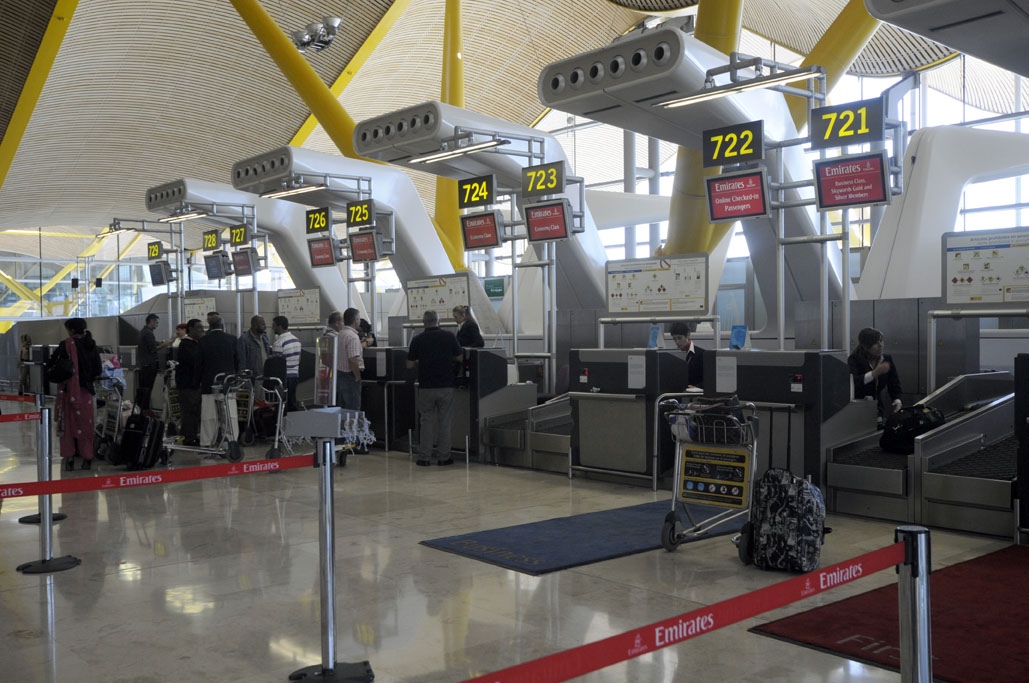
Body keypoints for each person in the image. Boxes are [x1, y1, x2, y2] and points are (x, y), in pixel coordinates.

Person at [407, 310, 463, 467]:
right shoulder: (449, 337)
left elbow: (409, 364)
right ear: (438, 322)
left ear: (424, 323)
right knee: (444, 421)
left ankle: (424, 457)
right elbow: (459, 357)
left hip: (425, 386)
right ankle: (444, 457)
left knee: (426, 421)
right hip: (446, 385)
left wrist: (423, 361)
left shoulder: (418, 340)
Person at [55, 318, 102, 470]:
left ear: (72, 330)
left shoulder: (66, 344)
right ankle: (87, 458)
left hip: (69, 392)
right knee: (86, 425)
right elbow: (98, 369)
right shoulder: (91, 344)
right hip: (87, 393)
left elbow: (57, 367)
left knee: (68, 427)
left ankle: (69, 459)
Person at [198, 315, 239, 447]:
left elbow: (199, 364)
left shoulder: (203, 341)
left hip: (209, 383)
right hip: (228, 383)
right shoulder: (232, 340)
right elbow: (237, 361)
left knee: (209, 415)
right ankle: (231, 440)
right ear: (222, 325)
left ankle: (207, 442)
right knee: (229, 414)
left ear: (209, 326)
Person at [848, 327, 902, 424]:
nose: (880, 345)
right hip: (858, 411)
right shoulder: (854, 359)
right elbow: (853, 382)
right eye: (876, 343)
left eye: (881, 341)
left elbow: (894, 384)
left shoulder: (886, 359)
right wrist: (874, 373)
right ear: (865, 346)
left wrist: (897, 399)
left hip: (878, 411)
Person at [326, 309, 364, 411]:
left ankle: (343, 427)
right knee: (352, 408)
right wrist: (358, 376)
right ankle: (351, 426)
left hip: (339, 374)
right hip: (350, 376)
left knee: (342, 408)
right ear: (356, 320)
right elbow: (352, 359)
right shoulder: (352, 337)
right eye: (359, 318)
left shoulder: (340, 334)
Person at [176, 319, 204, 446]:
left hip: (195, 384)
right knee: (189, 412)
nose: (201, 330)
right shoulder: (186, 344)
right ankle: (188, 438)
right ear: (190, 329)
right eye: (199, 327)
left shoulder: (196, 344)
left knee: (195, 411)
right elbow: (194, 361)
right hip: (187, 385)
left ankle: (192, 435)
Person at [136, 313, 171, 410]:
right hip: (149, 366)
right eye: (156, 322)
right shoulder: (148, 333)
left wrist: (160, 342)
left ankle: (142, 410)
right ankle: (145, 411)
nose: (157, 324)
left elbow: (150, 343)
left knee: (144, 389)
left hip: (144, 365)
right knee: (147, 389)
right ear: (151, 321)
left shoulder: (143, 331)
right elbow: (153, 349)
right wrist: (165, 344)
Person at [271, 315, 301, 411]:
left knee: (282, 405)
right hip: (295, 376)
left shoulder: (278, 343)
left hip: (283, 378)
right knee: (292, 401)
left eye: (274, 325)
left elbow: (276, 364)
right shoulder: (297, 340)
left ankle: (281, 424)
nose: (272, 328)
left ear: (279, 327)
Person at [670, 321, 704, 389]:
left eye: (679, 338)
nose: (677, 342)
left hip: (694, 395)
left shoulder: (701, 354)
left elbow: (708, 379)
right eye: (674, 339)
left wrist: (696, 387)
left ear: (688, 335)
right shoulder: (673, 355)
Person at [237, 315, 271, 382]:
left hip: (265, 375)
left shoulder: (265, 337)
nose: (265, 326)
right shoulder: (244, 340)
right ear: (255, 325)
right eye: (263, 324)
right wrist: (243, 378)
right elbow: (242, 361)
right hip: (252, 377)